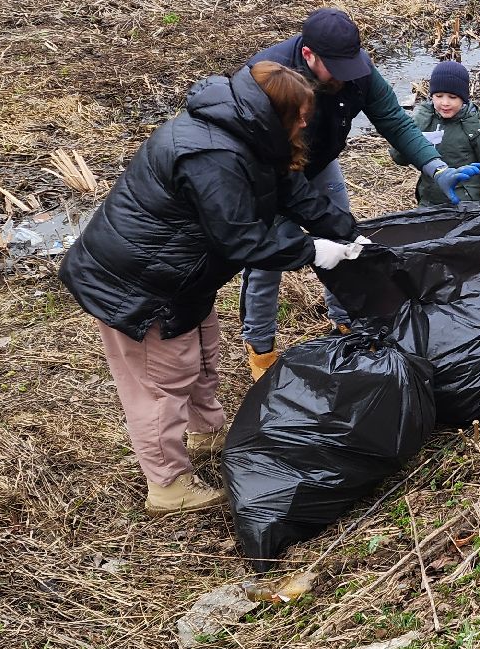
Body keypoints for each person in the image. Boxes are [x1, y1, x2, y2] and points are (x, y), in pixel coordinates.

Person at [60, 62, 365, 516]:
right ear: (273, 112)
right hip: (140, 285)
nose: (306, 122)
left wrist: (348, 233)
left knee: (201, 353)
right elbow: (241, 237)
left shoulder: (255, 136)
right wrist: (311, 251)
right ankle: (167, 484)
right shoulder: (211, 156)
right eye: (299, 114)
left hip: (183, 274)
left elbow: (294, 193)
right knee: (161, 384)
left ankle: (205, 432)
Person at [239, 8, 479, 380]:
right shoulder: (267, 79)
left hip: (319, 164)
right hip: (269, 172)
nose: (345, 76)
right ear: (308, 56)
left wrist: (436, 167)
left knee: (344, 237)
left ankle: (346, 320)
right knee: (269, 256)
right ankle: (261, 347)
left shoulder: (356, 70)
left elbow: (394, 121)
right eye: (335, 68)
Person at [390, 60, 480, 219]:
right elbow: (398, 158)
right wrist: (415, 125)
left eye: (452, 97)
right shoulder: (424, 120)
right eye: (438, 96)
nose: (445, 103)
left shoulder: (474, 127)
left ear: (463, 98)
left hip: (464, 205)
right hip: (428, 202)